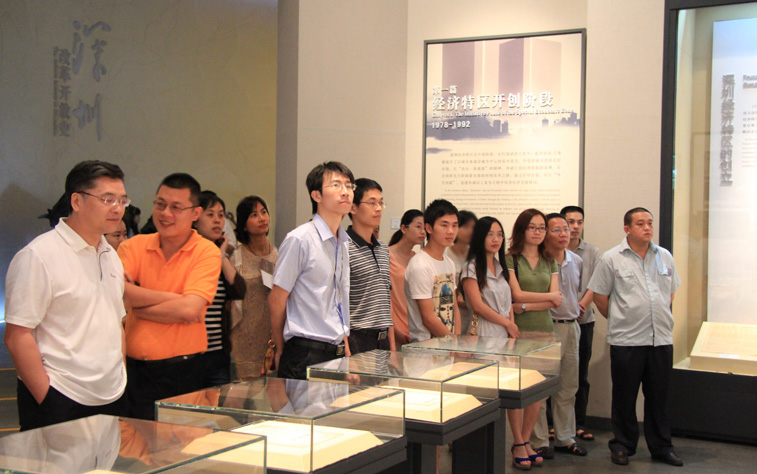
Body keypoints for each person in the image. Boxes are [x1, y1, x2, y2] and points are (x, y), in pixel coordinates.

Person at [5, 160, 129, 430]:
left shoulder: (110, 255)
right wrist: (49, 400)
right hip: (61, 396)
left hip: (111, 394)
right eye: (107, 199)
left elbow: (116, 322)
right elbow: (17, 335)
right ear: (76, 201)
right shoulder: (39, 255)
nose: (117, 208)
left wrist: (120, 376)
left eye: (122, 200)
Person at [118, 173, 221, 420]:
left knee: (182, 440)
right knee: (133, 440)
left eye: (176, 207)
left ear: (195, 213)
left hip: (183, 371)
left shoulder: (206, 251)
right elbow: (119, 295)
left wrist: (138, 306)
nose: (165, 213)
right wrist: (174, 298)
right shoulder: (133, 246)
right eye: (160, 204)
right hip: (134, 372)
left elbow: (189, 310)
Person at [589, 208, 682, 467]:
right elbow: (600, 297)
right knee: (624, 396)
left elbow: (670, 292)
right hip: (627, 340)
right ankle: (623, 445)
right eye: (640, 223)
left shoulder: (664, 256)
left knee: (658, 398)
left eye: (650, 223)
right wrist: (622, 317)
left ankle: (662, 447)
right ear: (627, 229)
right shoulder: (611, 258)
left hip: (660, 339)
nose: (647, 227)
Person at [269, 161, 355, 380]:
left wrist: (345, 344)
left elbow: (339, 299)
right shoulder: (300, 239)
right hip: (305, 352)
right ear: (316, 195)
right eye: (336, 185)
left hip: (336, 350)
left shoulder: (344, 242)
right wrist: (281, 348)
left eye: (349, 185)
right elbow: (277, 299)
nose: (345, 191)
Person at [459, 217, 529, 470]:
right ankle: (478, 449)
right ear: (480, 237)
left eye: (499, 234)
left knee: (509, 390)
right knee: (485, 393)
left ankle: (516, 443)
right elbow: (478, 306)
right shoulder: (471, 268)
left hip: (505, 334)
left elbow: (509, 302)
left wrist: (511, 327)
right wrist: (507, 323)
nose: (496, 239)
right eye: (490, 234)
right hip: (485, 334)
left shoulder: (502, 267)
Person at [506, 208, 561, 465]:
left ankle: (527, 440)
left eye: (542, 228)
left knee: (537, 392)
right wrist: (545, 298)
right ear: (522, 230)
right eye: (532, 227)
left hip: (545, 331)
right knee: (517, 390)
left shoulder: (550, 260)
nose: (538, 232)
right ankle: (517, 441)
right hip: (518, 333)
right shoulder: (511, 259)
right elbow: (515, 294)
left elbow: (557, 300)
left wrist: (526, 305)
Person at [530, 213, 587, 457]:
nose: (564, 233)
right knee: (540, 388)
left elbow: (578, 291)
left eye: (566, 229)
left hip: (571, 327)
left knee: (568, 386)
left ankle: (565, 437)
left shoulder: (576, 260)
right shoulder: (538, 261)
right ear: (545, 234)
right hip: (546, 327)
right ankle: (539, 440)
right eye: (556, 230)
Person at [194, 191, 246, 387]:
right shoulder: (188, 255)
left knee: (217, 403)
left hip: (218, 352)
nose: (217, 220)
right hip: (191, 353)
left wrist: (221, 255)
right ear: (195, 218)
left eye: (221, 215)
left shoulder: (219, 254)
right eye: (210, 214)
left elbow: (239, 290)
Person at [560, 205, 601, 442]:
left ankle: (579, 423)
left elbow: (597, 283)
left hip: (584, 320)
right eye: (570, 222)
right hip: (557, 321)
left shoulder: (592, 252)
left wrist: (580, 306)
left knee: (579, 375)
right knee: (555, 374)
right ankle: (555, 424)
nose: (575, 227)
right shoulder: (552, 249)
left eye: (579, 222)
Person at [230, 195, 278, 378]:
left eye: (264, 212)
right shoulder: (237, 258)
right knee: (245, 389)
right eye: (254, 215)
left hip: (271, 334)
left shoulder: (277, 255)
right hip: (245, 335)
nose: (262, 218)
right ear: (243, 224)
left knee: (272, 388)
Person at [346, 178, 395, 354]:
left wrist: (392, 347)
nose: (379, 208)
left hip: (383, 338)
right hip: (357, 338)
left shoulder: (383, 249)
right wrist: (346, 349)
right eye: (372, 203)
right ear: (353, 208)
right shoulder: (344, 247)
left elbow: (386, 301)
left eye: (381, 203)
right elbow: (337, 303)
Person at [404, 199, 461, 342]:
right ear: (429, 228)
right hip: (425, 348)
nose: (450, 231)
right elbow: (428, 318)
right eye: (444, 225)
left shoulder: (449, 262)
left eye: (454, 225)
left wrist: (458, 341)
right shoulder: (420, 265)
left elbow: (454, 307)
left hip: (448, 345)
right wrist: (454, 343)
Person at [388, 209, 425, 348]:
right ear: (404, 228)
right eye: (418, 226)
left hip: (414, 326)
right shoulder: (386, 255)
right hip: (393, 326)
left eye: (425, 227)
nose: (423, 232)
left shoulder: (417, 258)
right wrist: (394, 328)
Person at [446, 210, 477, 334]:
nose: (470, 231)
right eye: (465, 226)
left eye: (473, 227)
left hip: (474, 314)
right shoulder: (446, 254)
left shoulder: (476, 255)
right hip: (452, 311)